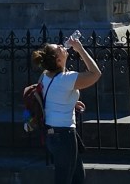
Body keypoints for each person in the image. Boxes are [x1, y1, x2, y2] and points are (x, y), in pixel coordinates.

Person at [31, 35, 102, 184]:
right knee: (64, 179)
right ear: (58, 60)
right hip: (64, 135)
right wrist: (80, 49)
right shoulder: (66, 79)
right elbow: (95, 74)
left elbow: (48, 98)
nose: (63, 47)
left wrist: (71, 103)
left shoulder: (45, 76)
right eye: (59, 49)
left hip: (51, 133)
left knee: (77, 177)